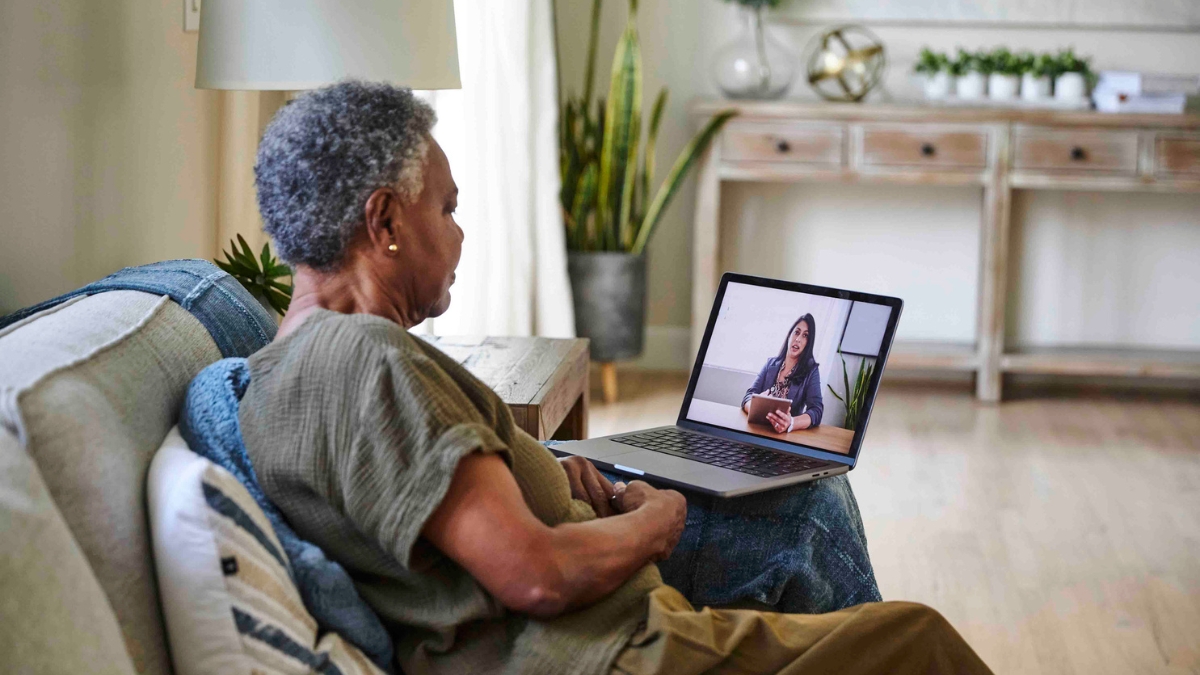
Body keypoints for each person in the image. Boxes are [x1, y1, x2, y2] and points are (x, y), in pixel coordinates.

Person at [237, 80, 992, 675]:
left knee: (807, 504)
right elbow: (535, 575)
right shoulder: (366, 360)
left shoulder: (286, 363)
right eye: (448, 206)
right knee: (912, 635)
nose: (460, 230)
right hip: (609, 652)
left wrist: (555, 468)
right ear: (386, 223)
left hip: (600, 631)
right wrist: (655, 520)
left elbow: (434, 502)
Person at [743, 313, 825, 434]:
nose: (798, 339)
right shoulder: (770, 363)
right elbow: (749, 395)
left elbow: (817, 410)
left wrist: (791, 422)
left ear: (808, 343)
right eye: (796, 332)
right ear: (789, 335)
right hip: (758, 430)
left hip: (784, 436)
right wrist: (755, 408)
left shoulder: (811, 371)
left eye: (805, 336)